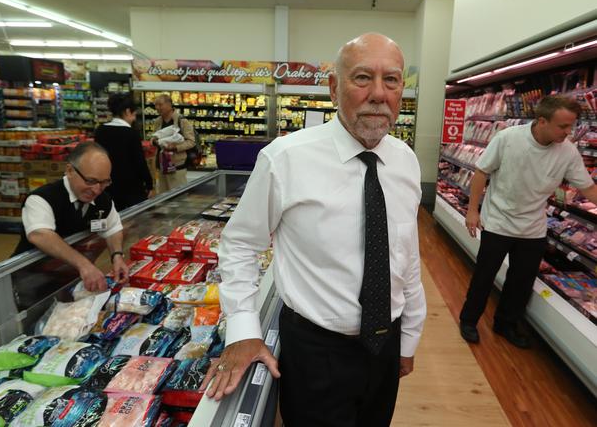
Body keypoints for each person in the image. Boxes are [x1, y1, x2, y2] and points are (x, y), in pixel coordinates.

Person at [201, 33, 426, 427]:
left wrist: (408, 338)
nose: (378, 94)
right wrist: (242, 331)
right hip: (315, 351)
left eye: (391, 80)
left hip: (385, 345)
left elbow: (406, 258)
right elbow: (239, 244)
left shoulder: (405, 161)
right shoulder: (285, 158)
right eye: (362, 78)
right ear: (334, 87)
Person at [460, 95, 597, 348]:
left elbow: (588, 188)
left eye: (572, 126)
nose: (569, 132)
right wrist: (472, 211)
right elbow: (481, 172)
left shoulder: (567, 151)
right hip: (498, 220)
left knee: (521, 281)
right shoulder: (508, 138)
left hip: (533, 227)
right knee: (484, 275)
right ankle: (469, 320)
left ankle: (505, 324)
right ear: (542, 121)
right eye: (563, 126)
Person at [13, 142, 129, 306]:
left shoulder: (102, 199)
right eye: (90, 181)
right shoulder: (41, 199)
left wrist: (117, 256)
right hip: (33, 282)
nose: (96, 190)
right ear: (69, 170)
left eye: (104, 182)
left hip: (71, 281)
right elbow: (40, 234)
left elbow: (113, 228)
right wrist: (84, 265)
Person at [94, 92, 154, 211]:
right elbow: (139, 162)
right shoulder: (131, 133)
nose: (134, 118)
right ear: (127, 111)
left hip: (108, 186)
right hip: (131, 187)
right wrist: (149, 184)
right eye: (134, 114)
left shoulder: (100, 131)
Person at [151, 94, 196, 193]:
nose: (157, 108)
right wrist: (154, 141)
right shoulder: (158, 121)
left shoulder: (182, 121)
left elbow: (191, 141)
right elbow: (154, 136)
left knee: (178, 199)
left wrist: (176, 147)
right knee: (163, 199)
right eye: (156, 105)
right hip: (162, 167)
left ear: (169, 104)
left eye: (160, 104)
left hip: (177, 168)